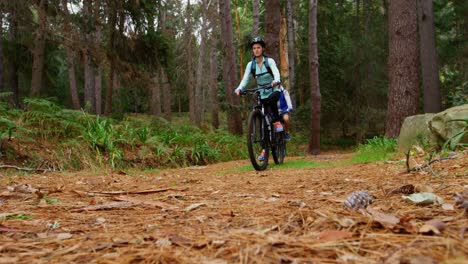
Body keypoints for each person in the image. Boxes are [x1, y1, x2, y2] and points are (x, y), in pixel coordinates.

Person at [235, 36, 283, 161]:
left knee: (272, 99)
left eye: (258, 48)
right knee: (262, 121)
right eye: (254, 48)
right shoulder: (250, 65)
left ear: (263, 49)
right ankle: (264, 149)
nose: (256, 50)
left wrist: (276, 80)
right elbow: (245, 79)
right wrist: (239, 88)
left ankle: (277, 121)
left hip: (274, 88)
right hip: (262, 91)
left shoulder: (269, 61)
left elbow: (276, 72)